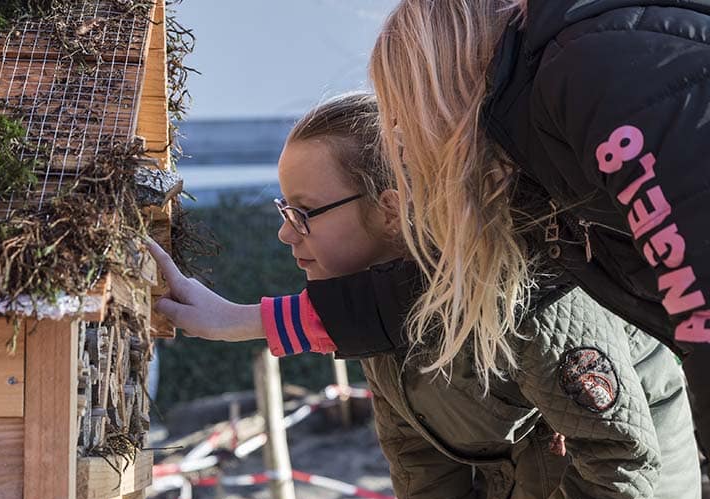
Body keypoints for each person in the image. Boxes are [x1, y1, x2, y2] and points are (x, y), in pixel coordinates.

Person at [148, 93, 710, 499]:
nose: (285, 232)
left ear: (390, 210)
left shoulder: (525, 294)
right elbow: (421, 466)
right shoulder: (370, 310)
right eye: (282, 210)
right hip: (532, 492)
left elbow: (621, 462)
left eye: (304, 212)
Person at [296, 0, 710, 452]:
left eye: (403, 118)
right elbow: (442, 290)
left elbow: (699, 283)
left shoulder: (593, 74)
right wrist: (256, 321)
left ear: (436, 86)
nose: (405, 146)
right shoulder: (536, 152)